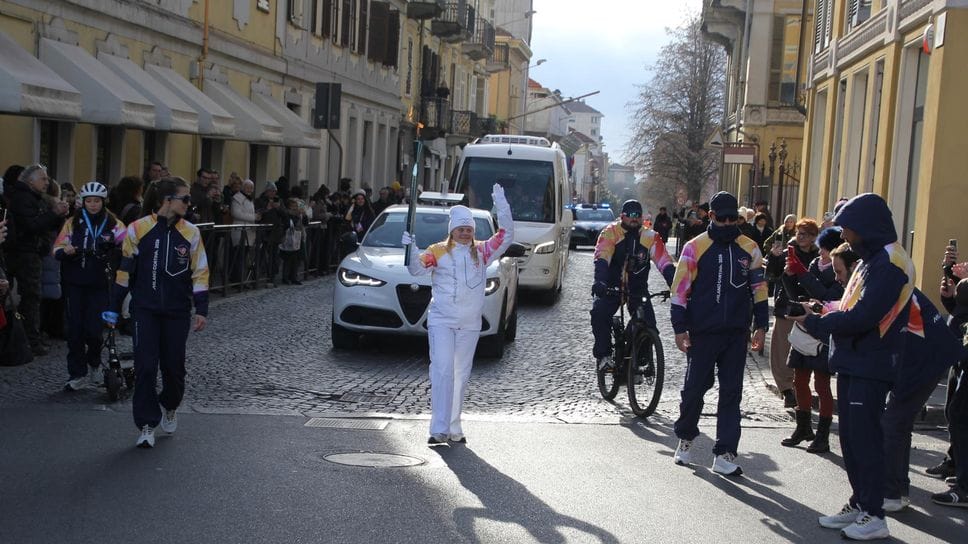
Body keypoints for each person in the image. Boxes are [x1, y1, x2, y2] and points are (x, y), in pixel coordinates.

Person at [789, 193, 916, 540]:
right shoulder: (870, 260)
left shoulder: (891, 263)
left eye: (847, 228)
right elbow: (848, 306)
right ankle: (861, 503)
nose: (843, 235)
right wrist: (819, 311)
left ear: (866, 227)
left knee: (865, 441)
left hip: (871, 362)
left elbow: (864, 316)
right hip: (854, 360)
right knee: (851, 439)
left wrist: (815, 323)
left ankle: (874, 514)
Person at [103, 177, 209, 449]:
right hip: (145, 310)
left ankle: (169, 405)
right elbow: (124, 272)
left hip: (177, 311)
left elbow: (200, 272)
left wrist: (202, 309)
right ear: (167, 200)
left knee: (174, 369)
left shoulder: (191, 232)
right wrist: (113, 307)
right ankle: (146, 424)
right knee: (146, 367)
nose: (189, 204)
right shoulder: (138, 228)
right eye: (185, 199)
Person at [403, 184, 513, 445]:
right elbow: (416, 270)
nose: (465, 233)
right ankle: (438, 429)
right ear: (452, 230)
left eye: (469, 229)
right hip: (442, 320)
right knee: (442, 369)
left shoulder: (483, 252)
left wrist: (502, 205)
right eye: (461, 229)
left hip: (469, 324)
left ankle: (454, 426)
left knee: (461, 373)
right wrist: (411, 249)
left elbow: (506, 235)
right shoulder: (437, 251)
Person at [670, 191, 768, 476]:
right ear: (711, 216)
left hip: (736, 333)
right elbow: (680, 291)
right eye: (721, 218)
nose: (727, 223)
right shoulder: (694, 247)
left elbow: (759, 290)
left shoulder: (750, 248)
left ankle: (725, 453)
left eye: (732, 218)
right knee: (694, 389)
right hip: (703, 332)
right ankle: (685, 440)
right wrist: (679, 328)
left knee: (731, 394)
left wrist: (761, 326)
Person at [52, 182, 126, 390]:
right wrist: (64, 251)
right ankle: (77, 373)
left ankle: (94, 362)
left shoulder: (114, 223)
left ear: (103, 202)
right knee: (74, 330)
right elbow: (56, 249)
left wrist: (116, 251)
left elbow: (129, 246)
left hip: (100, 284)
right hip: (75, 283)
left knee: (94, 330)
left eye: (97, 201)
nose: (93, 205)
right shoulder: (72, 223)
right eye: (89, 201)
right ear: (83, 202)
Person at [780, 228, 846, 453]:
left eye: (825, 249)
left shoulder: (840, 272)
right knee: (799, 380)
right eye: (821, 249)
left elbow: (828, 296)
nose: (821, 253)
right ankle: (803, 427)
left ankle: (823, 435)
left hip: (823, 330)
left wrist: (801, 272)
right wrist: (789, 275)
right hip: (804, 328)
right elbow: (798, 293)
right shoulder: (815, 265)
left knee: (822, 385)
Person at [590, 200, 675, 370]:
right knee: (599, 313)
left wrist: (675, 284)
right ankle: (604, 356)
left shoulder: (650, 237)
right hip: (612, 286)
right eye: (630, 215)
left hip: (637, 288)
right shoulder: (610, 233)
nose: (634, 218)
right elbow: (602, 258)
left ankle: (640, 359)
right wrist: (600, 281)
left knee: (649, 323)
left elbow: (664, 262)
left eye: (638, 215)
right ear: (622, 216)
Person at [5, 164, 70, 355]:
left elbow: (44, 225)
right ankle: (30, 340)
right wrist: (54, 213)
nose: (47, 182)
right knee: (31, 297)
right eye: (43, 178)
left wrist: (58, 216)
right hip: (24, 253)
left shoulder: (32, 197)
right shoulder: (24, 198)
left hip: (29, 252)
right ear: (30, 180)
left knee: (31, 297)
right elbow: (31, 226)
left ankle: (29, 338)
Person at [766, 218, 819, 408]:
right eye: (798, 233)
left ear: (813, 237)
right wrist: (774, 257)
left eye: (805, 234)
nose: (800, 237)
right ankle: (787, 390)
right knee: (782, 349)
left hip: (809, 308)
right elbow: (771, 275)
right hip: (787, 306)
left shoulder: (817, 256)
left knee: (805, 348)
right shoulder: (788, 252)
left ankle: (799, 388)